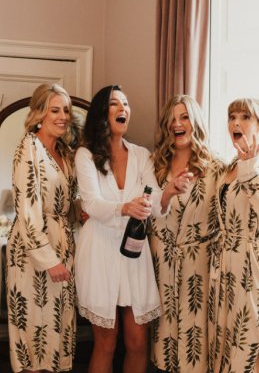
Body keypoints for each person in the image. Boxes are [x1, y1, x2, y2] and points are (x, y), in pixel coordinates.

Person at [74, 85, 189, 373]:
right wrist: (125, 208)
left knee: (138, 342)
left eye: (126, 104)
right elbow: (90, 203)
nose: (123, 109)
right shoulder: (86, 156)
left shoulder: (142, 156)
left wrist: (169, 192)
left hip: (134, 254)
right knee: (107, 344)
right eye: (115, 104)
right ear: (102, 113)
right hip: (99, 251)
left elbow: (154, 203)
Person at [149, 94, 226, 372]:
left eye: (184, 117)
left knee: (197, 344)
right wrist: (166, 194)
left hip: (201, 267)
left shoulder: (216, 168)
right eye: (172, 118)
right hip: (163, 265)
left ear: (195, 123)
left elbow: (232, 215)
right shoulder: (155, 166)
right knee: (164, 344)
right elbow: (144, 214)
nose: (177, 123)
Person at [209, 98, 259, 373]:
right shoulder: (228, 166)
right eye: (232, 116)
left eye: (245, 116)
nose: (236, 122)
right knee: (225, 352)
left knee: (249, 351)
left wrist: (250, 168)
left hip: (256, 270)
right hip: (226, 268)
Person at [6, 83, 78, 373]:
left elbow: (67, 202)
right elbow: (28, 209)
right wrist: (48, 260)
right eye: (54, 110)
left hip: (63, 247)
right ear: (38, 114)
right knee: (36, 335)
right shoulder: (29, 148)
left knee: (58, 332)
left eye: (66, 110)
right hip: (33, 255)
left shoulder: (64, 151)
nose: (62, 116)